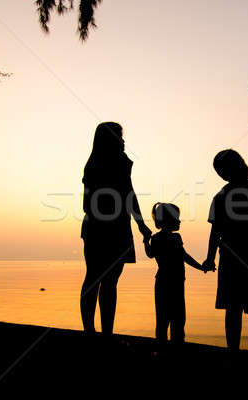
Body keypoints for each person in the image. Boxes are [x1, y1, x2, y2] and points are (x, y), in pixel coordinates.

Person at [80, 122, 152, 336]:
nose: (123, 141)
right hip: (105, 227)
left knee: (104, 279)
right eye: (120, 137)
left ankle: (100, 331)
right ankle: (94, 331)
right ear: (110, 139)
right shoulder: (98, 165)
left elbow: (129, 194)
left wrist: (139, 223)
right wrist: (137, 223)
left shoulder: (110, 163)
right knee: (99, 279)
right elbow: (127, 195)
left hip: (111, 226)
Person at [203, 150, 248, 353]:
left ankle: (233, 351)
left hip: (231, 258)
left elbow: (215, 233)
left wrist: (209, 258)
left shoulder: (220, 196)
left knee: (233, 309)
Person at [144, 203, 213, 347]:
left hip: (162, 282)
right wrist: (201, 267)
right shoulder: (175, 238)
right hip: (174, 284)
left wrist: (146, 241)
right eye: (177, 218)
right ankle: (177, 349)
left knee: (162, 319)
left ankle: (162, 348)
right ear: (169, 220)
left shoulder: (156, 239)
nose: (179, 221)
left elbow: (150, 254)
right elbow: (185, 257)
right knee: (178, 319)